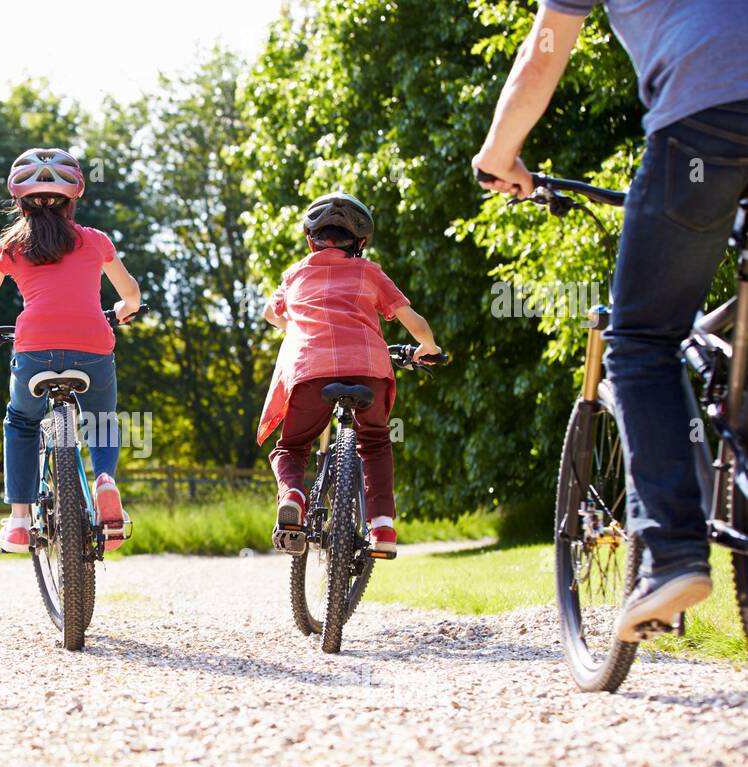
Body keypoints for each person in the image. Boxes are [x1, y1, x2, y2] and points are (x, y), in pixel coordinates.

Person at [472, 1, 748, 641]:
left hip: (705, 119)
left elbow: (543, 57)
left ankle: (672, 552)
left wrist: (498, 155)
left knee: (641, 341)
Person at [0, 148, 142, 554]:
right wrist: (124, 310)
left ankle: (18, 520)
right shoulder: (95, 240)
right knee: (102, 419)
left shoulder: (9, 248)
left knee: (21, 422)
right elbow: (131, 294)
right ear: (74, 199)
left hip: (34, 348)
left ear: (19, 201)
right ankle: (105, 479)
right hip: (93, 345)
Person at [259, 192, 441, 557]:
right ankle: (383, 526)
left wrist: (293, 326)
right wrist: (430, 348)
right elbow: (414, 322)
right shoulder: (370, 271)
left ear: (310, 240)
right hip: (369, 370)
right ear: (360, 243)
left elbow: (270, 313)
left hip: (310, 372)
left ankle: (293, 494)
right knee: (374, 441)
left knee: (293, 446)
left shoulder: (295, 273)